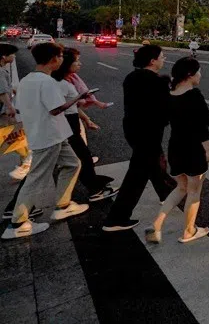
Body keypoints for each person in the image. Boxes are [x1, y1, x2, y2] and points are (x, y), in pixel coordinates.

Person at [3, 43, 89, 240]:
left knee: (73, 164)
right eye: (59, 56)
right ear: (53, 59)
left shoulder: (27, 80)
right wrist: (78, 97)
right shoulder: (47, 82)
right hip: (48, 136)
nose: (61, 60)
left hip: (54, 134)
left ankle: (64, 205)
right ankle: (17, 223)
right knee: (37, 178)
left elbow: (20, 108)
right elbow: (56, 109)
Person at [103, 44, 176, 232]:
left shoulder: (132, 77)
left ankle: (168, 193)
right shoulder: (156, 82)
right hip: (149, 131)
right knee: (137, 174)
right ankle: (116, 219)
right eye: (162, 56)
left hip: (133, 128)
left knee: (153, 162)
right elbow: (165, 109)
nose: (164, 59)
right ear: (152, 61)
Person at [144, 57, 209, 244]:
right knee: (193, 191)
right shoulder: (194, 96)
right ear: (190, 75)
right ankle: (189, 231)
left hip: (175, 146)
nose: (201, 75)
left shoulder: (170, 95)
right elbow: (202, 128)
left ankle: (157, 223)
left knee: (181, 187)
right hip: (193, 149)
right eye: (199, 71)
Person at [51, 49, 118, 202]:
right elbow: (60, 108)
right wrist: (79, 98)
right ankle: (93, 191)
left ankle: (91, 188)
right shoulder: (61, 84)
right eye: (76, 61)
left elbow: (72, 107)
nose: (80, 64)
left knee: (81, 158)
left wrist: (86, 119)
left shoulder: (66, 80)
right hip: (66, 124)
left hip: (69, 121)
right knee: (81, 158)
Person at [0, 43, 31, 181]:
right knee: (14, 137)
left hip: (3, 111)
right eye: (12, 54)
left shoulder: (2, 70)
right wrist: (9, 107)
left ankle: (25, 164)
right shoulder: (0, 71)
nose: (14, 57)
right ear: (3, 56)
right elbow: (1, 92)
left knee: (14, 137)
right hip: (3, 111)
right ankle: (26, 164)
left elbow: (5, 89)